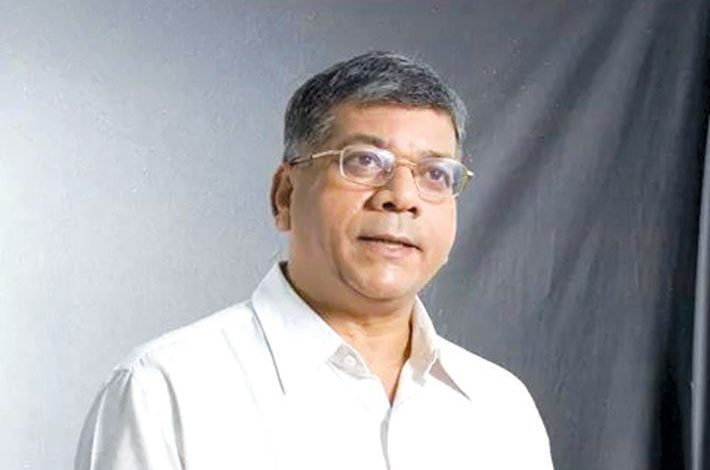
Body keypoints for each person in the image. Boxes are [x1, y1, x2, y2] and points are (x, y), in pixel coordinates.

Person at [75, 51, 554, 470]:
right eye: (365, 161)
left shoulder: (500, 406)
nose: (402, 197)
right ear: (285, 195)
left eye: (434, 173)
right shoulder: (166, 390)